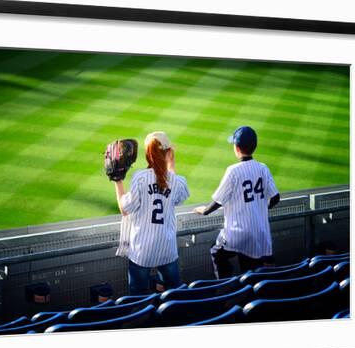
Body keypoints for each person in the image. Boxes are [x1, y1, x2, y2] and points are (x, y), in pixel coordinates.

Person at [194, 126, 280, 279]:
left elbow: (218, 201)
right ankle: (247, 293)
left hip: (237, 234)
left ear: (237, 148)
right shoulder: (263, 168)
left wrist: (204, 210)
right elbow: (275, 198)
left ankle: (227, 288)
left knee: (216, 252)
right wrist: (258, 209)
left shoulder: (233, 170)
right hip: (260, 233)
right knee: (251, 270)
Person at [113, 131, 190, 295]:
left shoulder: (140, 178)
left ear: (147, 155)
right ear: (169, 153)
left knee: (138, 298)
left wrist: (117, 180)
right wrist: (171, 165)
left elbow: (125, 210)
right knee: (175, 295)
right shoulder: (177, 181)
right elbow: (179, 196)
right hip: (167, 249)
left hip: (142, 250)